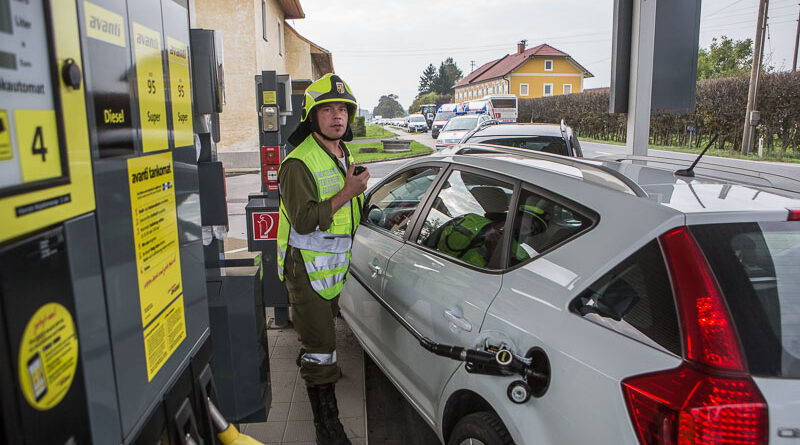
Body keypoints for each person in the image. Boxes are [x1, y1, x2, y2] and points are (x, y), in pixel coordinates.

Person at [276, 73, 369, 445]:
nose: (337, 117)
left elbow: (350, 209)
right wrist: (348, 191)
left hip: (334, 268)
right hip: (306, 270)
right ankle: (327, 429)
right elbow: (303, 219)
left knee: (320, 340)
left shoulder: (343, 153)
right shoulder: (298, 163)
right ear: (311, 117)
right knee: (322, 353)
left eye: (343, 110)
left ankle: (311, 351)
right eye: (327, 109)